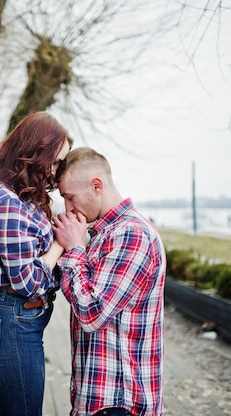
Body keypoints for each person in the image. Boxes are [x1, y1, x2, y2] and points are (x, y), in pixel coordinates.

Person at [0, 111, 73, 416]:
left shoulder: (25, 199)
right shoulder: (6, 203)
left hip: (21, 322)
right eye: (54, 162)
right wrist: (60, 243)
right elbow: (28, 282)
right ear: (33, 154)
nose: (56, 173)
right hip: (12, 322)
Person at [51, 147, 166, 416]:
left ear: (96, 185)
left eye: (70, 197)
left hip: (119, 401)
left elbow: (92, 313)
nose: (68, 207)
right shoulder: (105, 234)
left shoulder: (132, 234)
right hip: (101, 398)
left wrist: (75, 248)